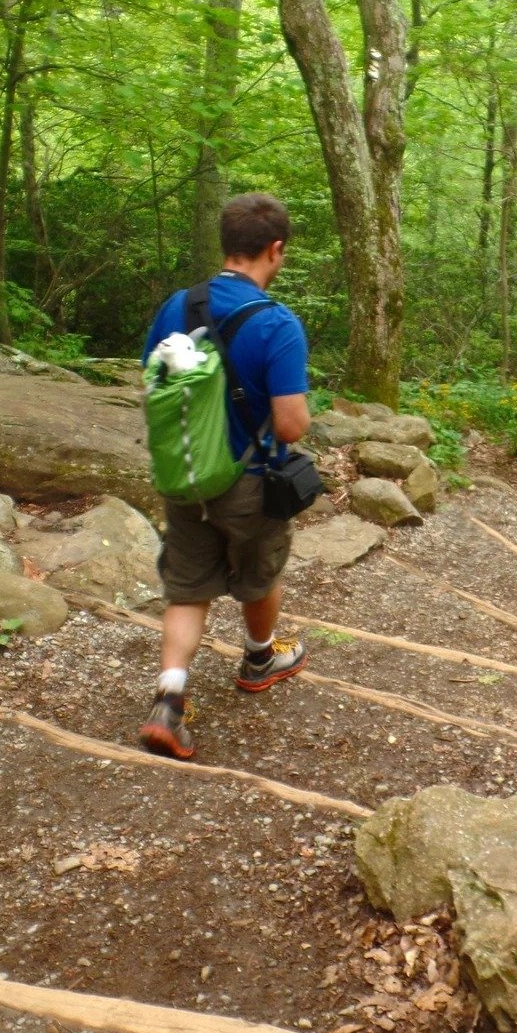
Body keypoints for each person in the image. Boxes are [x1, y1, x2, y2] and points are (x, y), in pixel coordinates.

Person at [138, 193, 311, 760]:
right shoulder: (277, 322)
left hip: (186, 473)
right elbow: (290, 427)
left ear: (226, 244)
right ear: (275, 249)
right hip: (248, 481)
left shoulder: (177, 306)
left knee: (187, 588)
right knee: (260, 574)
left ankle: (169, 698)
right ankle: (260, 657)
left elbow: (154, 378)